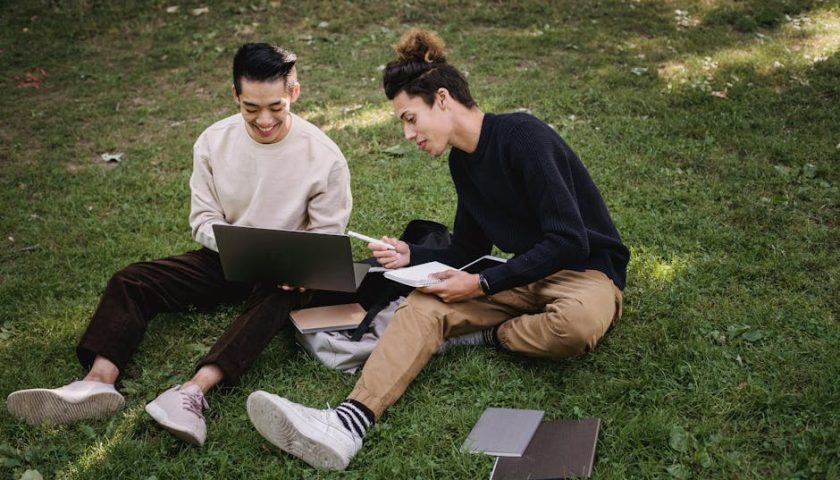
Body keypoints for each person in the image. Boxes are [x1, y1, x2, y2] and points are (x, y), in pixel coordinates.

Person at [244, 29, 630, 471]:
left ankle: (486, 335)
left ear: (442, 99)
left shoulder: (524, 136)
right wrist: (413, 256)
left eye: (410, 118)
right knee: (423, 306)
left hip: (586, 274)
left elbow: (569, 239)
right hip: (523, 275)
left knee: (575, 327)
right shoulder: (463, 163)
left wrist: (483, 283)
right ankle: (347, 423)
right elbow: (468, 248)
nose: (408, 134)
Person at [5, 43, 352, 447]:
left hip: (286, 274)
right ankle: (97, 382)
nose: (264, 120)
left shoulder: (324, 157)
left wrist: (298, 268)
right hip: (226, 257)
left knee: (276, 302)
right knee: (133, 280)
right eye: (251, 108)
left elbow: (327, 237)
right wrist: (239, 246)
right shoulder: (213, 142)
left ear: (294, 93)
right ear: (235, 96)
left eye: (276, 107)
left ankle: (192, 393)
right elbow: (203, 220)